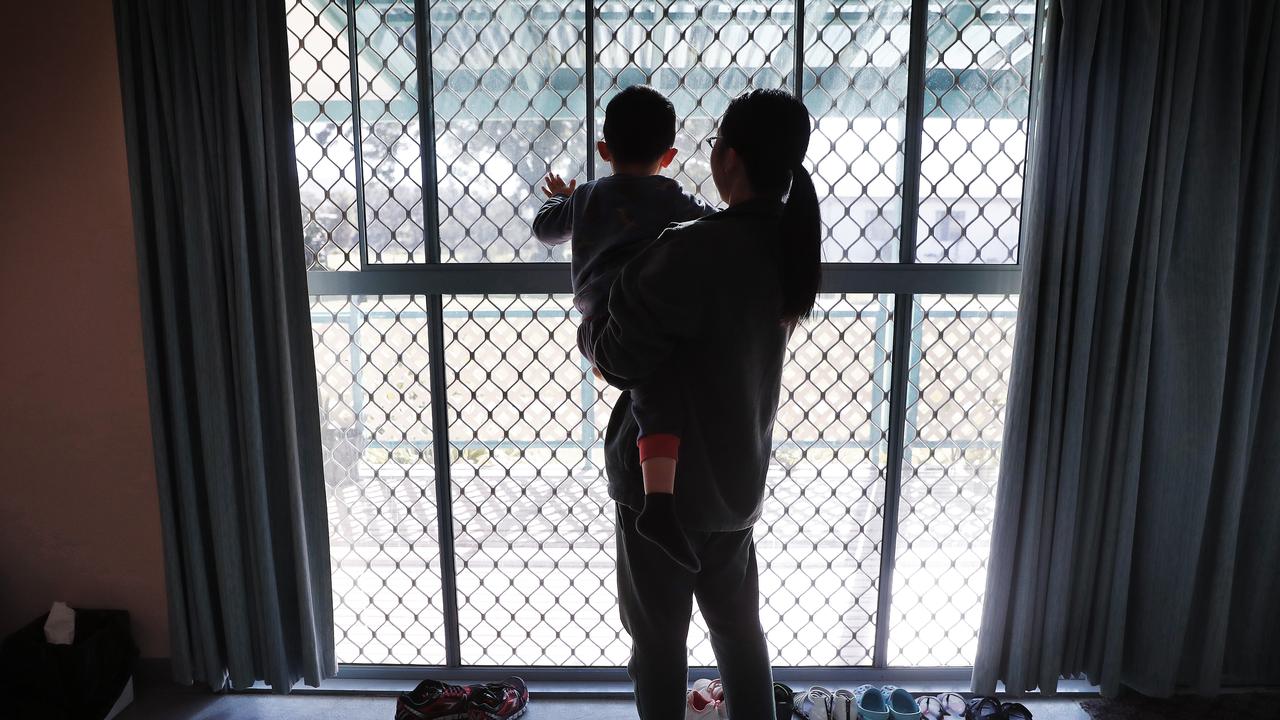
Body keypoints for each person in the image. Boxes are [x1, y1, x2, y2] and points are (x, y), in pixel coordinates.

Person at [592, 88, 822, 720]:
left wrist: (592, 322)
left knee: (660, 639)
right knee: (739, 634)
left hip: (660, 488)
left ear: (731, 159)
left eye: (716, 141)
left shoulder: (690, 249)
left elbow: (616, 357)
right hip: (735, 479)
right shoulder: (789, 246)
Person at [533, 85, 714, 572]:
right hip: (650, 325)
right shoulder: (673, 199)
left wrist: (562, 202)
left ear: (604, 151)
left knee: (653, 386)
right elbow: (715, 228)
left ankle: (656, 506)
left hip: (599, 329)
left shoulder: (589, 198)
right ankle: (659, 504)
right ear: (670, 156)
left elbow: (545, 229)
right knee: (663, 387)